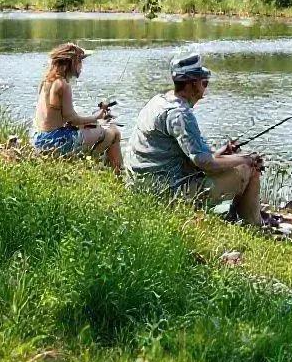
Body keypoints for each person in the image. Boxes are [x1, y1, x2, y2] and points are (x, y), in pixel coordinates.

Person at [125, 54, 265, 225]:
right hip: (162, 193)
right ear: (192, 84)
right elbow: (204, 162)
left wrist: (220, 154)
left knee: (237, 162)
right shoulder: (181, 114)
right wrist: (246, 158)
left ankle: (239, 218)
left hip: (139, 185)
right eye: (204, 83)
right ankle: (253, 224)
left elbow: (189, 155)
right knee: (248, 168)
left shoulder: (158, 101)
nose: (205, 89)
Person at [31, 42, 122, 174]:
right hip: (55, 141)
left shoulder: (46, 81)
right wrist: (97, 116)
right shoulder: (63, 85)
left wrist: (92, 120)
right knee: (113, 133)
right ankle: (117, 178)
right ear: (73, 63)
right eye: (80, 61)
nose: (82, 66)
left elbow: (59, 117)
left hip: (39, 138)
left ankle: (89, 165)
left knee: (94, 128)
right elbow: (72, 119)